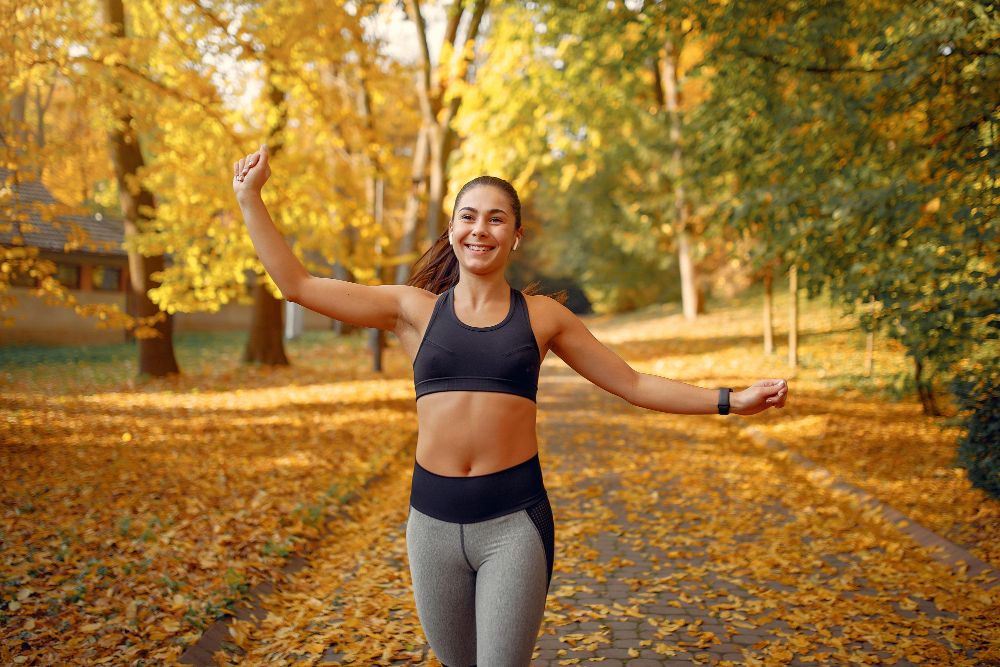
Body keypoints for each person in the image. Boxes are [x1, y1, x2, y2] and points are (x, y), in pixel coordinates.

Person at [232, 145, 788, 667]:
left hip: (513, 526)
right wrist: (249, 197)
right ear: (452, 231)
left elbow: (633, 383)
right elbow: (298, 285)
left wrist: (731, 401)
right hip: (430, 526)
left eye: (496, 218)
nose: (481, 229)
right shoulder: (411, 310)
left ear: (515, 236)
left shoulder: (544, 316)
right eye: (468, 216)